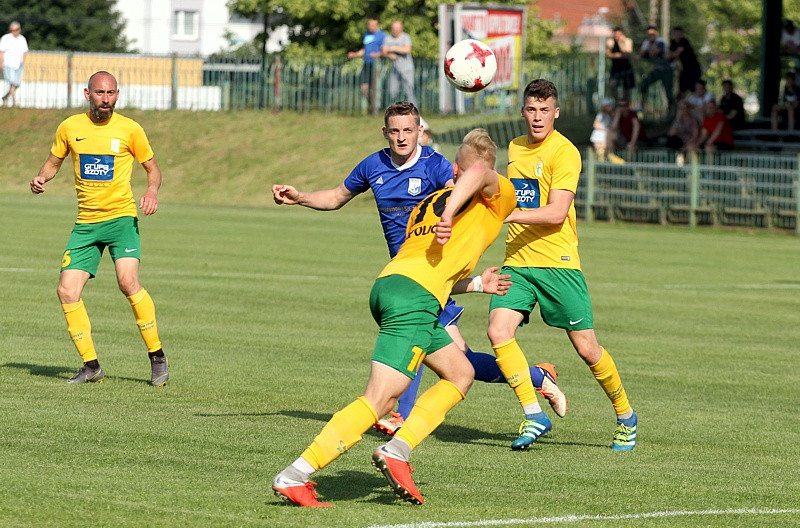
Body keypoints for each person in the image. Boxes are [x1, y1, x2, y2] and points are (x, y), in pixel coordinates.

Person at [272, 102, 566, 436]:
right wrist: (299, 197)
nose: (401, 138)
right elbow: (336, 197)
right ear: (385, 133)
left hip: (433, 275)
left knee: (421, 344)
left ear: (420, 132)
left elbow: (470, 186)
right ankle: (538, 376)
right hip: (408, 276)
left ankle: (400, 414)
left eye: (408, 130)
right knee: (460, 360)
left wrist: (452, 218)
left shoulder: (437, 166)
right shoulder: (373, 165)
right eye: (394, 131)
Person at [272, 128, 519, 507]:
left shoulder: (427, 204)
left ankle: (399, 449)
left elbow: (434, 271)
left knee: (460, 373)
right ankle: (296, 474)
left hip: (394, 287)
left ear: (452, 168)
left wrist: (477, 286)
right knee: (380, 401)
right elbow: (481, 172)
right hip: (414, 300)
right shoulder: (488, 194)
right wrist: (453, 212)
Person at [487, 79, 637, 452]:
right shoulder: (515, 147)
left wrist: (504, 217)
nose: (537, 117)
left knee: (587, 349)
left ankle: (625, 415)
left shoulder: (565, 152)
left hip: (558, 264)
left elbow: (556, 214)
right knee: (497, 331)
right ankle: (534, 413)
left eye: (544, 110)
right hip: (517, 262)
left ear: (556, 112)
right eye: (530, 109)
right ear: (522, 111)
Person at [29, 71, 169, 386]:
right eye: (99, 93)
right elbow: (53, 163)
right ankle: (91, 366)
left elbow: (152, 168)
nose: (104, 99)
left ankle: (157, 356)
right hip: (86, 224)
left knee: (127, 282)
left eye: (110, 94)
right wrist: (41, 177)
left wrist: (152, 191)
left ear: (116, 95)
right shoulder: (70, 127)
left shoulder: (131, 129)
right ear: (87, 94)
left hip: (121, 219)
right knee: (66, 290)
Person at [347, 17, 385, 113]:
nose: (371, 27)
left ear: (377, 25)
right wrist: (355, 54)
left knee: (375, 87)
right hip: (366, 63)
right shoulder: (366, 34)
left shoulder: (382, 35)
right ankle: (371, 105)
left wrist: (377, 55)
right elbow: (365, 49)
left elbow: (385, 51)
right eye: (369, 25)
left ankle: (376, 109)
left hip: (376, 64)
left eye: (373, 25)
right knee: (364, 88)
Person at [637, 25, 675, 111]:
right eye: (649, 34)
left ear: (656, 33)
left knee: (668, 92)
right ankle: (642, 105)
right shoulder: (646, 42)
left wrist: (649, 47)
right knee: (644, 83)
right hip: (657, 70)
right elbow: (639, 55)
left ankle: (671, 110)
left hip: (667, 70)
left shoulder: (660, 42)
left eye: (652, 33)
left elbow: (653, 53)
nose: (650, 35)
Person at [381, 20, 417, 107]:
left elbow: (407, 50)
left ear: (401, 28)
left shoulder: (405, 37)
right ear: (391, 29)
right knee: (393, 92)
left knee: (409, 92)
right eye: (394, 28)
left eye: (398, 28)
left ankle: (414, 113)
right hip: (395, 69)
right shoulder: (388, 38)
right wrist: (390, 54)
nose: (396, 30)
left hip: (407, 69)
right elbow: (384, 51)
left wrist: (392, 48)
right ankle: (394, 113)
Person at [668, 26, 701, 102]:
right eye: (675, 33)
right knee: (681, 89)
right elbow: (668, 55)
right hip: (685, 69)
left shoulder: (684, 41)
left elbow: (676, 54)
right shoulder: (673, 42)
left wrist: (672, 55)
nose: (677, 35)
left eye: (679, 33)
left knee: (693, 87)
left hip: (693, 69)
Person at [0, 21, 28, 107]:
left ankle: (5, 97)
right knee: (12, 83)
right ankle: (15, 102)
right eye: (12, 30)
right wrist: (1, 63)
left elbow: (24, 52)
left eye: (16, 30)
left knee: (17, 84)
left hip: (18, 65)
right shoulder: (6, 38)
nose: (14, 31)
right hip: (8, 64)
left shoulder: (22, 39)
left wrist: (23, 62)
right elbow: (1, 51)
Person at [605, 26, 635, 103]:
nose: (617, 36)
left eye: (619, 34)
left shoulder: (627, 41)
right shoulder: (611, 42)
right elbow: (608, 54)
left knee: (627, 87)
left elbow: (626, 53)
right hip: (615, 67)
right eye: (615, 34)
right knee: (612, 84)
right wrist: (618, 55)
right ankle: (617, 102)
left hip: (626, 67)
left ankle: (627, 103)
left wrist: (621, 42)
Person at [590, 97, 624, 163]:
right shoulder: (600, 115)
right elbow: (595, 124)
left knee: (605, 151)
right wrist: (605, 129)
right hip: (598, 135)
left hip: (605, 136)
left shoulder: (610, 115)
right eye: (608, 106)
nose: (609, 107)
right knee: (600, 152)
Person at [666, 101, 701, 166]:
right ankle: (678, 167)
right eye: (681, 108)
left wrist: (687, 144)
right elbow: (670, 133)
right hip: (680, 142)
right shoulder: (678, 120)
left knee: (690, 148)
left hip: (690, 142)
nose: (683, 110)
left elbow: (695, 135)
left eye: (684, 108)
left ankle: (692, 168)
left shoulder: (693, 120)